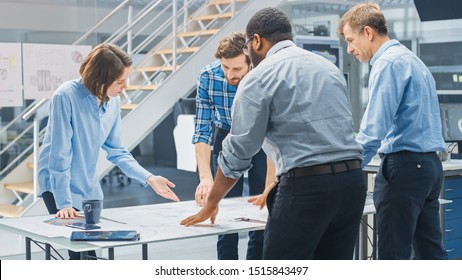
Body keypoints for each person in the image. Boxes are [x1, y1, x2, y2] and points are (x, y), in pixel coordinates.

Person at [182, 7, 366, 260]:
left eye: (248, 46)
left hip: (307, 186)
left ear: (256, 40)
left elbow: (238, 152)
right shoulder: (327, 68)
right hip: (353, 184)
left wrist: (213, 201)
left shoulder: (259, 77)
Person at [38, 43, 179, 260]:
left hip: (88, 185)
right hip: (59, 183)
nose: (124, 87)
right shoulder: (65, 96)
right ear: (98, 79)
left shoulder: (112, 102)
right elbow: (59, 154)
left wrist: (150, 178)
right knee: (80, 252)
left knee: (91, 248)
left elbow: (117, 151)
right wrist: (64, 203)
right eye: (119, 81)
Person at [338, 3, 448, 260]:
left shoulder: (387, 64)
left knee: (391, 254)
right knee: (431, 251)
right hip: (430, 167)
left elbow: (374, 129)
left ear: (368, 32)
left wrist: (351, 169)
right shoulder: (412, 60)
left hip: (405, 169)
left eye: (351, 40)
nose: (349, 49)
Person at [192, 32, 267, 260]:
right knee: (221, 210)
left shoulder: (263, 75)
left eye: (236, 69)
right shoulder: (208, 76)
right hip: (225, 135)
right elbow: (202, 130)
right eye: (225, 67)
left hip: (261, 139)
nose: (229, 75)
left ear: (249, 62)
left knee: (261, 207)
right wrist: (206, 178)